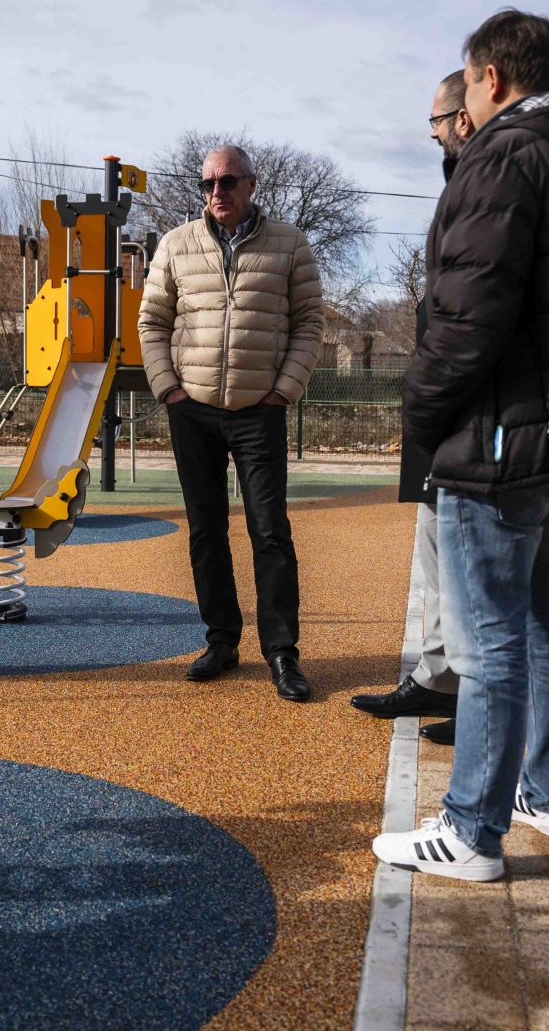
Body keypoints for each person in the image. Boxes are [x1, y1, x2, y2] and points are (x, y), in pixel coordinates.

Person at [373, 10, 549, 881]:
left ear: (493, 78)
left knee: (490, 640)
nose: (462, 101)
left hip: (500, 439)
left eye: (466, 83)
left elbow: (466, 315)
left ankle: (471, 830)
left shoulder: (506, 156)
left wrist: (420, 412)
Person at [137, 145, 325, 702]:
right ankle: (221, 640)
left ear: (251, 184)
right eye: (208, 183)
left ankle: (282, 652)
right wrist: (168, 389)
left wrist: (283, 391)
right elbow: (151, 321)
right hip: (191, 409)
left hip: (258, 410)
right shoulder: (176, 244)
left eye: (227, 181)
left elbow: (310, 322)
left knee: (270, 533)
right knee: (205, 531)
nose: (216, 192)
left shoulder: (289, 243)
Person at [349, 70, 475, 740]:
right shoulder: (462, 183)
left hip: (465, 419)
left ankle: (470, 701)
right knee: (435, 557)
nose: (430, 132)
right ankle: (438, 681)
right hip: (440, 414)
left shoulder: (488, 183)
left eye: (436, 119)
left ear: (464, 115)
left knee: (465, 571)